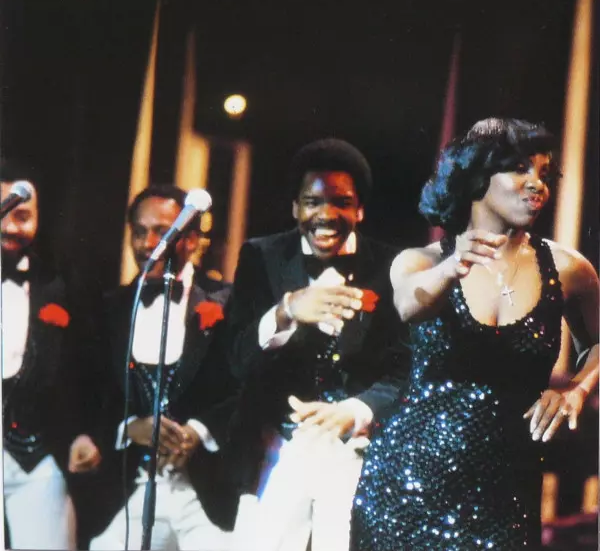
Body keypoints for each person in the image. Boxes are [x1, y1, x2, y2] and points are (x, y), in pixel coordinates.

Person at [350, 118, 599, 549]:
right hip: (405, 490)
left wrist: (577, 390)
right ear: (477, 177)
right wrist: (452, 268)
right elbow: (409, 305)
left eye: (543, 173)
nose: (537, 184)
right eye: (519, 168)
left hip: (506, 495)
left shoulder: (569, 268)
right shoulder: (422, 262)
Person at [224, 138, 410, 551]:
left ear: (359, 210)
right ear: (295, 208)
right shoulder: (260, 257)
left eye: (341, 202)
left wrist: (356, 409)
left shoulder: (392, 266)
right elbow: (235, 359)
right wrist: (286, 311)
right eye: (312, 202)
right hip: (275, 451)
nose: (325, 215)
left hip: (357, 453)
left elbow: (406, 367)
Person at [85, 184, 239, 551]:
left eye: (161, 231)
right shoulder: (113, 307)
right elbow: (95, 392)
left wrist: (198, 432)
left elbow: (242, 388)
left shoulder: (226, 301)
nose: (147, 243)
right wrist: (129, 427)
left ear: (191, 240)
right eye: (139, 232)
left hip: (205, 492)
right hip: (137, 487)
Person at [1, 158, 101, 550]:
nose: (11, 226)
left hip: (36, 456)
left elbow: (88, 368)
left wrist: (84, 433)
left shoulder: (59, 284)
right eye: (4, 212)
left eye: (23, 216)